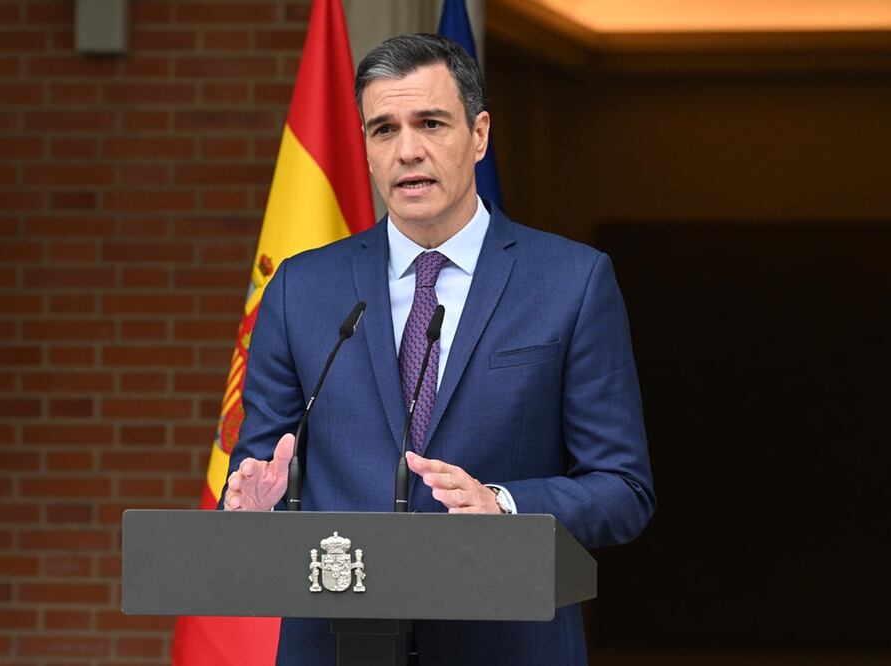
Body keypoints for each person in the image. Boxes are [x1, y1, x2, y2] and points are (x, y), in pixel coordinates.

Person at [221, 33, 655, 665]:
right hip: (338, 643)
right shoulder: (299, 288)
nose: (408, 151)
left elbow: (622, 489)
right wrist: (254, 499)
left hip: (505, 642)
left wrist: (504, 505)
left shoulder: (572, 281)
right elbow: (264, 456)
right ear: (366, 151)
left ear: (479, 135)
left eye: (430, 122)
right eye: (384, 130)